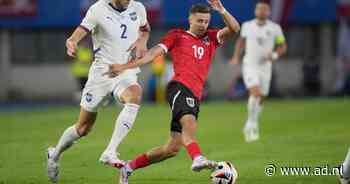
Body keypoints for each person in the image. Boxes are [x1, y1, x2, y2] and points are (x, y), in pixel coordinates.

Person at [106, 1, 240, 183]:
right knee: (189, 122)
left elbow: (234, 28)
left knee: (172, 148)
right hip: (179, 87)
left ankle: (128, 167)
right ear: (190, 19)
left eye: (206, 21)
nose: (203, 25)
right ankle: (197, 157)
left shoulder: (212, 37)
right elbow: (153, 54)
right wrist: (124, 66)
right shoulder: (177, 36)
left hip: (195, 93)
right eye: (199, 21)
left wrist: (222, 10)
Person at [46, 0, 150, 182]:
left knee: (135, 94)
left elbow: (145, 28)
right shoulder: (98, 9)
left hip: (125, 70)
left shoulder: (138, 7)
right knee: (83, 128)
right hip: (101, 73)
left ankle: (110, 151)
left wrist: (142, 41)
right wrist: (72, 41)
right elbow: (80, 31)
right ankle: (54, 155)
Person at [230, 1, 287, 142]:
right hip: (250, 65)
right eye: (259, 9)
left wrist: (274, 55)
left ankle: (250, 121)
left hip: (265, 67)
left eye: (264, 9)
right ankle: (252, 124)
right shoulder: (247, 26)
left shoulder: (275, 28)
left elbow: (282, 45)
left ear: (269, 12)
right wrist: (236, 57)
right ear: (255, 11)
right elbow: (241, 42)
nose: (261, 11)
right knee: (255, 92)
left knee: (262, 96)